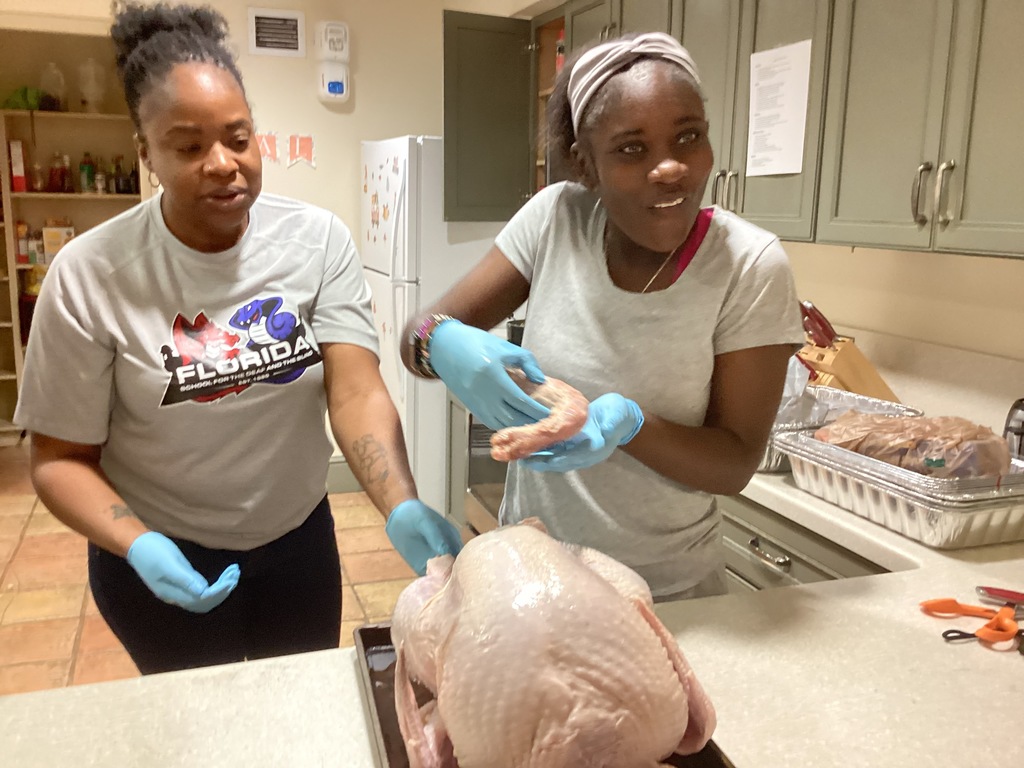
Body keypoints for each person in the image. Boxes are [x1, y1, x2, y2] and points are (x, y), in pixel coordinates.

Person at [13, 1, 460, 675]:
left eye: (239, 138)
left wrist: (399, 502)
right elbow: (57, 458)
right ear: (146, 153)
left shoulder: (317, 241)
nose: (223, 163)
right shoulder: (90, 274)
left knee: (294, 707)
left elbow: (355, 391)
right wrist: (136, 543)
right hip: (162, 551)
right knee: (198, 721)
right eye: (189, 146)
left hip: (298, 545)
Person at [401, 32, 804, 602]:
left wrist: (632, 426)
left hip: (668, 595)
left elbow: (735, 463)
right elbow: (414, 340)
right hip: (531, 579)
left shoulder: (749, 266)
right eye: (632, 149)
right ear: (584, 165)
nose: (670, 167)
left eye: (688, 137)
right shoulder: (556, 219)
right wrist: (440, 341)